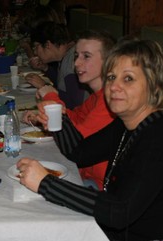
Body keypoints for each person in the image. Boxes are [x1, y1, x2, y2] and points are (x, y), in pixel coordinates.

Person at [16, 39, 163, 241]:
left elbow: (120, 212)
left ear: (154, 86)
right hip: (124, 239)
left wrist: (46, 183)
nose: (114, 87)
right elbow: (80, 152)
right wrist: (58, 123)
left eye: (128, 78)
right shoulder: (127, 123)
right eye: (111, 77)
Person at [23, 30, 117, 190]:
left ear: (108, 62)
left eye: (86, 56)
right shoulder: (97, 96)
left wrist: (51, 98)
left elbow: (75, 142)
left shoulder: (110, 102)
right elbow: (74, 117)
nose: (76, 64)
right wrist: (42, 116)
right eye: (76, 56)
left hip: (98, 186)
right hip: (84, 174)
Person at [25, 21, 88, 109]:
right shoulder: (65, 56)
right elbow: (62, 85)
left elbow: (75, 104)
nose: (35, 52)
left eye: (36, 47)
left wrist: (45, 87)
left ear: (47, 44)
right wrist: (46, 68)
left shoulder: (72, 60)